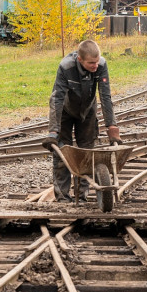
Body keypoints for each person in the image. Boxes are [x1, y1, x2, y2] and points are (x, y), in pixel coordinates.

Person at [42, 40, 121, 202]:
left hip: (87, 111)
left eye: (97, 61)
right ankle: (63, 197)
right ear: (80, 59)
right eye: (91, 63)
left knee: (86, 154)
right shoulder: (66, 67)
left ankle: (82, 196)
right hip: (65, 111)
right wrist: (53, 131)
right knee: (62, 152)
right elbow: (57, 98)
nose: (95, 66)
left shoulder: (101, 65)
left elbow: (105, 96)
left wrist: (111, 126)